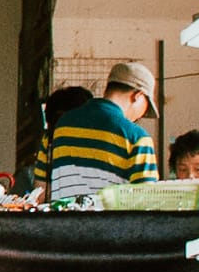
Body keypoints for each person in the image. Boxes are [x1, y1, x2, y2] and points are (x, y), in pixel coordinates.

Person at [47, 60, 159, 201]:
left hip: (62, 222)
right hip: (111, 223)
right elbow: (146, 201)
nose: (140, 116)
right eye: (146, 108)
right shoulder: (137, 137)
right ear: (138, 96)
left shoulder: (63, 124)